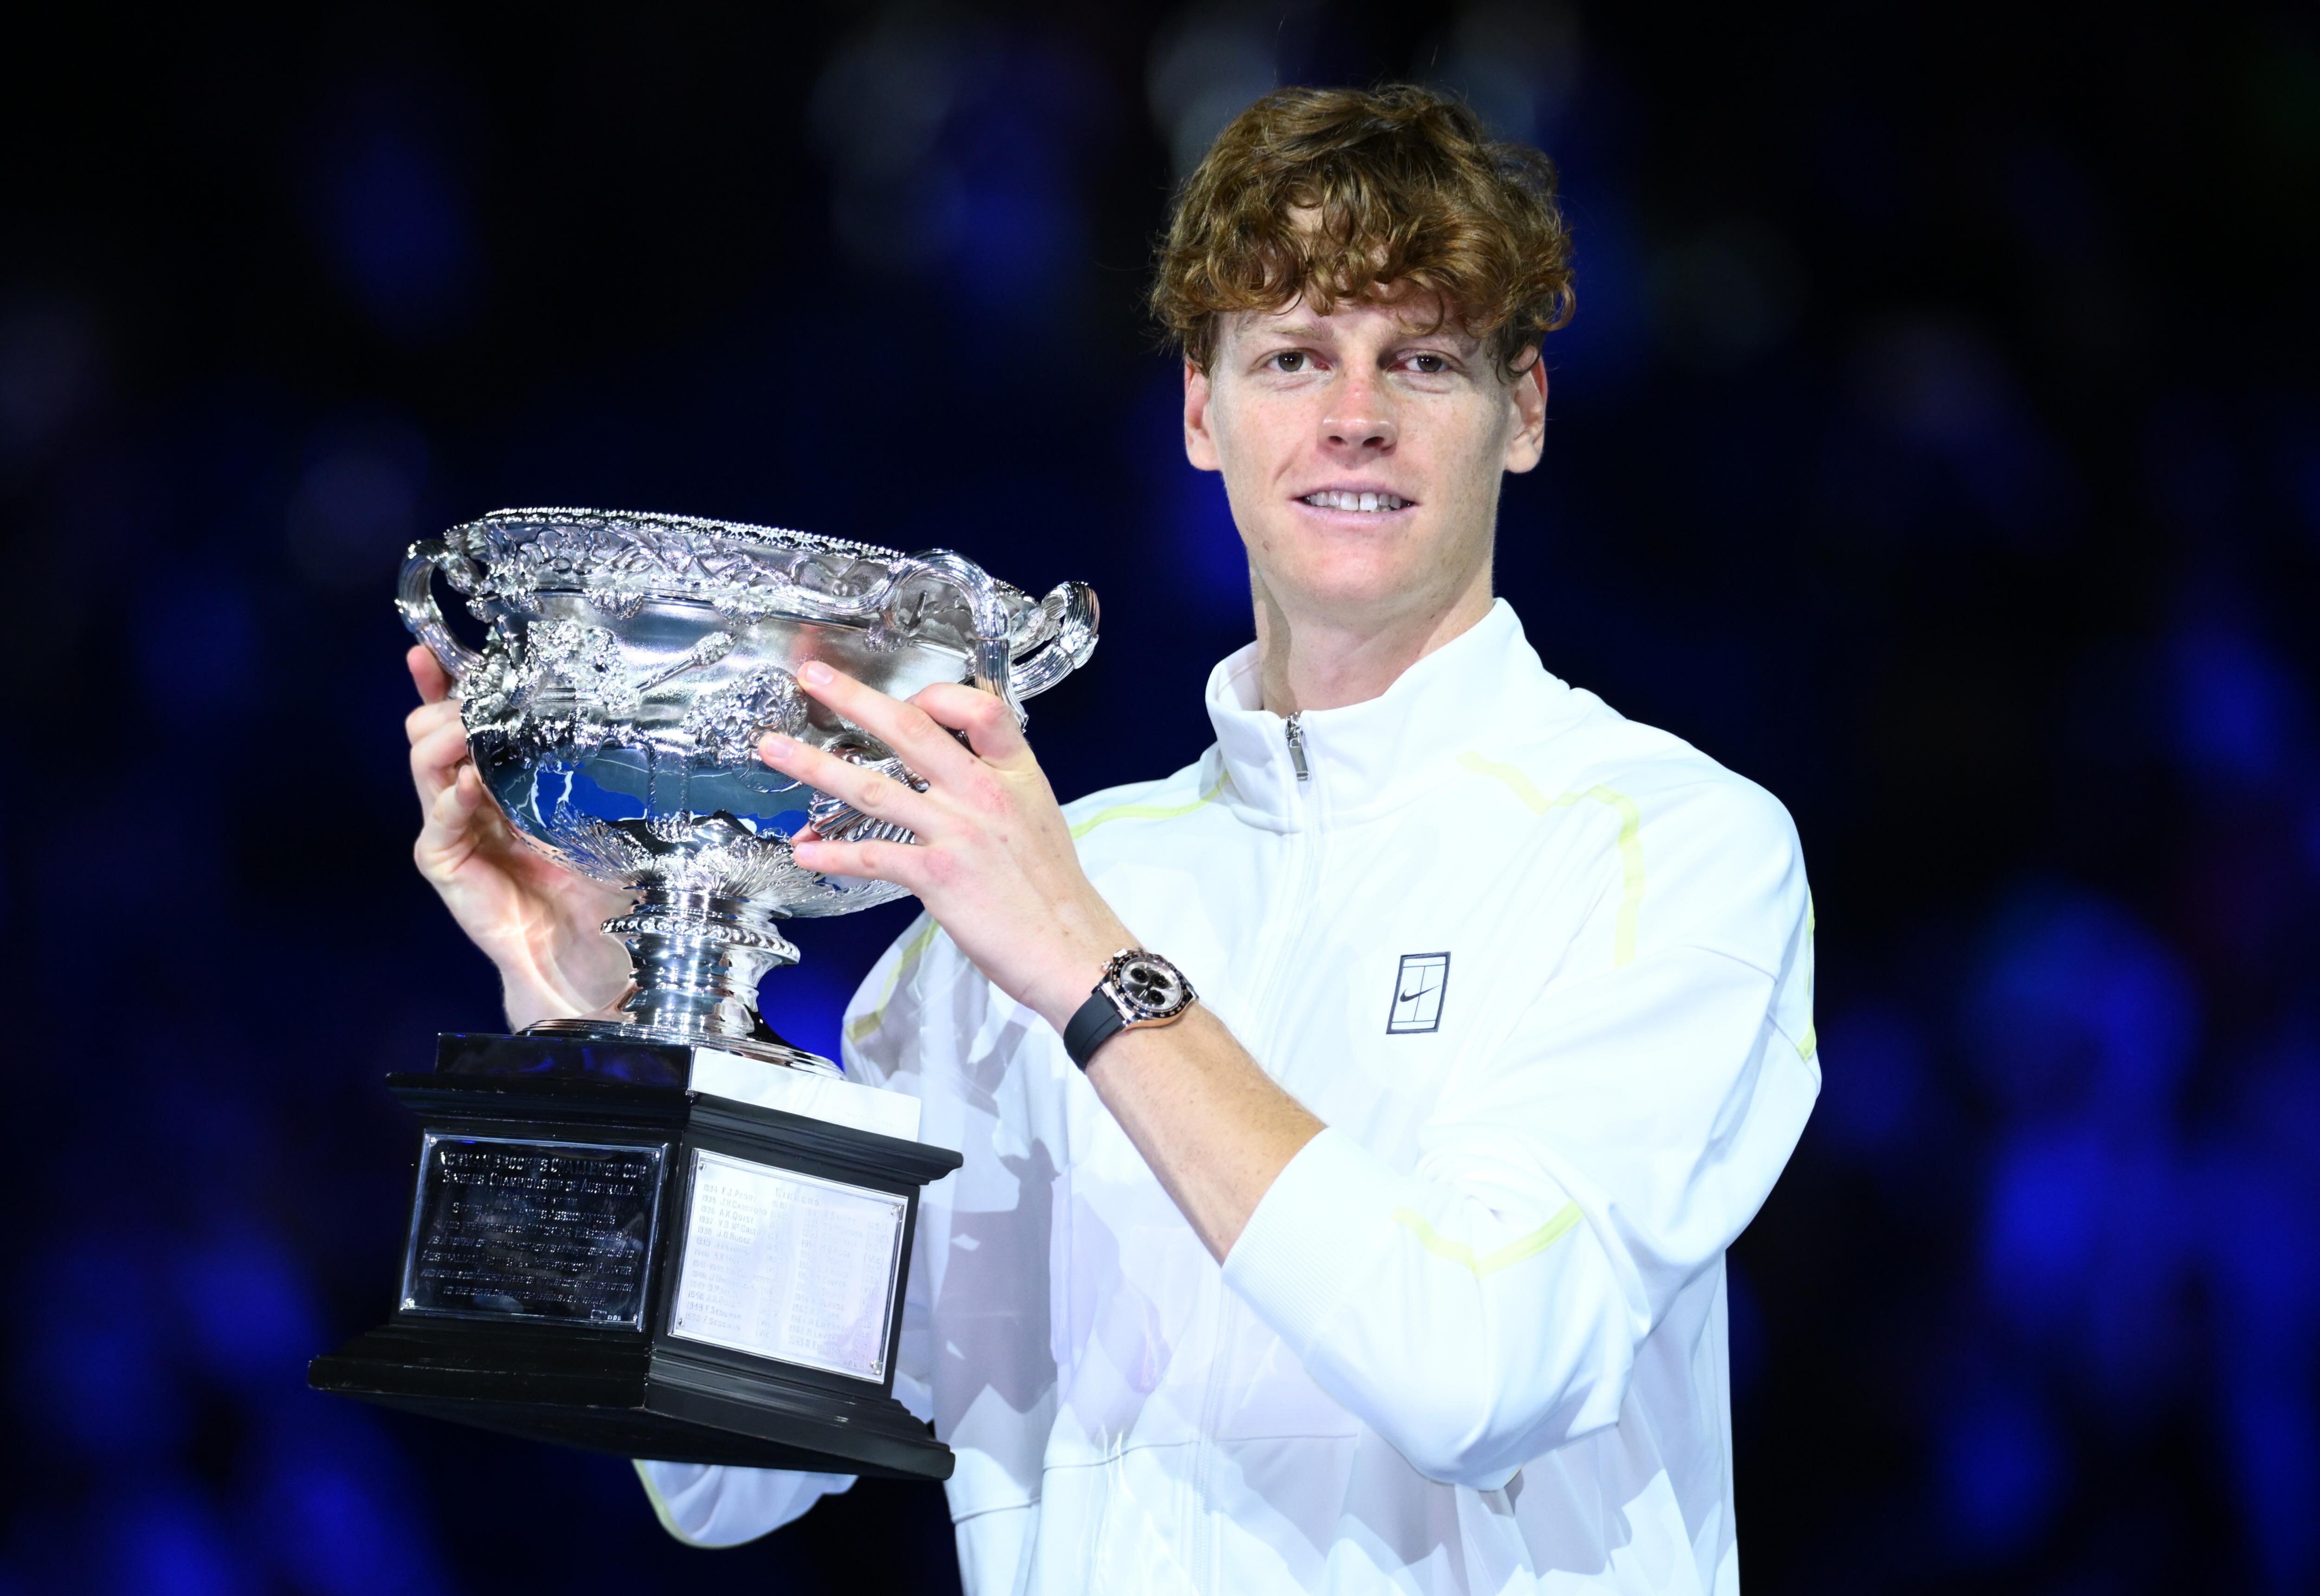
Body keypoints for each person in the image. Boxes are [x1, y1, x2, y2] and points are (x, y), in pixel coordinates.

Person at [405, 84, 1818, 1595]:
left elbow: (1475, 1370)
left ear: (1521, 410)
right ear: (1203, 413)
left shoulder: (1669, 847)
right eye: (1291, 358)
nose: (1355, 416)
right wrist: (601, 999)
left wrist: (1091, 967)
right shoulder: (1027, 897)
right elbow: (727, 1466)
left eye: (1421, 360)